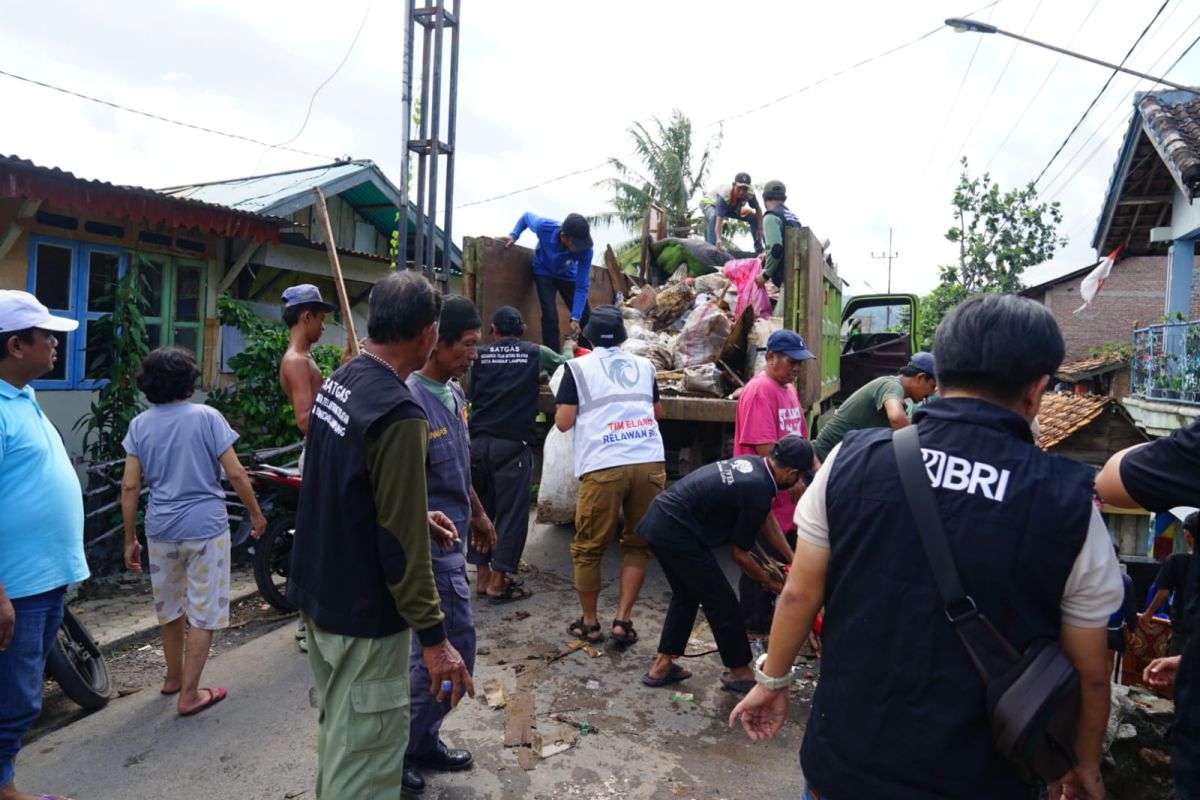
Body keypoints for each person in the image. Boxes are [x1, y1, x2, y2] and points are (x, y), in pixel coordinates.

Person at [731, 293, 1123, 800]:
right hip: (981, 779)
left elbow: (799, 595)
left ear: (944, 373)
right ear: (1037, 390)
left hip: (844, 766)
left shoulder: (850, 461)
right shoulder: (1071, 504)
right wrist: (1084, 762)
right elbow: (1092, 673)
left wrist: (774, 681)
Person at [287, 272, 473, 799]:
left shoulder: (345, 380)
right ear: (428, 334)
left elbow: (353, 489)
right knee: (366, 765)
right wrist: (437, 643)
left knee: (343, 745)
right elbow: (400, 545)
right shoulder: (398, 412)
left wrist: (417, 513)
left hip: (321, 594)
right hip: (364, 615)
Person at [120, 347, 268, 716]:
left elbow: (129, 486)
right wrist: (255, 514)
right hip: (205, 527)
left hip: (161, 528)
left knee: (170, 606)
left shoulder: (140, 425)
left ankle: (172, 678)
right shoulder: (207, 417)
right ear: (188, 380)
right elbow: (235, 473)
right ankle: (189, 694)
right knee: (204, 610)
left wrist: (129, 538)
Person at [403, 296, 497, 794]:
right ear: (435, 343)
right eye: (466, 345)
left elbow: (458, 469)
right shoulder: (410, 400)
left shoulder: (454, 394)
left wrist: (479, 513)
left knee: (449, 652)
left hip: (457, 541)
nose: (473, 354)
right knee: (445, 651)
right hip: (429, 551)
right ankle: (403, 748)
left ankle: (422, 740)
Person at [640, 436, 817, 693]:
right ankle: (739, 672)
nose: (797, 483)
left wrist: (792, 557)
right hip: (676, 531)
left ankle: (662, 665)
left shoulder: (754, 465)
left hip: (659, 520)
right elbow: (741, 555)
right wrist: (776, 586)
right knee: (721, 601)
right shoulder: (757, 487)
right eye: (799, 477)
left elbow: (765, 517)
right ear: (791, 473)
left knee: (686, 595)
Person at [0, 291, 88, 800]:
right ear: (15, 345)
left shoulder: (23, 395)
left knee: (21, 695)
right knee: (12, 700)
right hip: (16, 586)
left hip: (43, 579)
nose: (55, 344)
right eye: (46, 336)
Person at [1096, 419, 1200, 798]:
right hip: (1122, 634)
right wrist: (1133, 626)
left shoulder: (1168, 565)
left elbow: (1111, 480)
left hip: (1103, 633)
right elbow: (1129, 606)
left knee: (1103, 675)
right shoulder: (1122, 582)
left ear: (1188, 537)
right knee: (1106, 670)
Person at [555, 304, 665, 647]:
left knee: (589, 548)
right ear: (623, 335)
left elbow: (563, 422)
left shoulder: (577, 368)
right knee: (638, 543)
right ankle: (623, 621)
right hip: (648, 461)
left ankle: (590, 625)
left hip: (604, 465)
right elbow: (657, 412)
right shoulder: (645, 366)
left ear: (587, 334)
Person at [467, 306, 573, 602]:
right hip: (511, 447)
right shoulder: (534, 351)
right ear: (523, 329)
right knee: (512, 515)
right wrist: (568, 345)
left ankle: (483, 576)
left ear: (494, 331)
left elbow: (472, 391)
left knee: (481, 512)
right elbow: (564, 364)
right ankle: (499, 582)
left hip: (477, 445)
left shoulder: (480, 354)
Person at [733, 330, 815, 650]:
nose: (796, 368)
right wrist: (795, 480)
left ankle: (772, 630)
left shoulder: (788, 390)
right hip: (763, 495)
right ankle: (752, 635)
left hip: (786, 500)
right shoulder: (759, 391)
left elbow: (802, 440)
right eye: (791, 361)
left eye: (799, 363)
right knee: (758, 564)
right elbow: (766, 446)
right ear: (770, 358)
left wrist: (812, 475)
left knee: (780, 566)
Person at [277, 283, 336, 653]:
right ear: (306, 316)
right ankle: (308, 624)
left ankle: (315, 618)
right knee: (322, 538)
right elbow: (304, 419)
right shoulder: (297, 362)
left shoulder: (303, 359)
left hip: (319, 456)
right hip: (317, 457)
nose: (324, 327)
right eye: (322, 318)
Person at [812, 352, 939, 461]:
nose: (932, 393)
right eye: (933, 386)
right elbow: (896, 418)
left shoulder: (897, 394)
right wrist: (923, 443)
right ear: (920, 378)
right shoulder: (892, 386)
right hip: (824, 458)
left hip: (838, 458)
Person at [502, 212, 594, 348]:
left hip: (568, 275)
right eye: (577, 244)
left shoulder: (586, 251)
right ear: (564, 237)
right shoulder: (544, 227)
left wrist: (575, 317)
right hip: (543, 271)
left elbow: (582, 286)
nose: (580, 248)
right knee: (550, 314)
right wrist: (513, 235)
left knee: (585, 315)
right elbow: (526, 217)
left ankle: (587, 354)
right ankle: (553, 358)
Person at [1140, 511, 1195, 656]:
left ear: (1187, 535)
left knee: (1176, 672)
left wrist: (1148, 614)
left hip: (1183, 629)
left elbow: (1163, 593)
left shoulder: (1177, 561)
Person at [755, 180, 802, 294]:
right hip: (800, 276)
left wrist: (765, 275)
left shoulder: (771, 216)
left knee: (780, 312)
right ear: (783, 198)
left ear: (764, 198)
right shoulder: (792, 217)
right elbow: (787, 246)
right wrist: (767, 254)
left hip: (788, 279)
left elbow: (776, 249)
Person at [700, 172, 764, 253]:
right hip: (710, 204)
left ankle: (759, 248)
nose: (741, 192)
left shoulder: (750, 194)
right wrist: (719, 239)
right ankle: (714, 247)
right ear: (734, 185)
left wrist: (760, 228)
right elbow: (719, 219)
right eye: (739, 188)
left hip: (732, 207)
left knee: (753, 217)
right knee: (714, 216)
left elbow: (758, 209)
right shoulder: (724, 194)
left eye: (745, 189)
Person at [1107, 543, 1139, 680]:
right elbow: (1130, 609)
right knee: (1108, 662)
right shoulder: (1125, 580)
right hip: (1112, 629)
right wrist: (1132, 630)